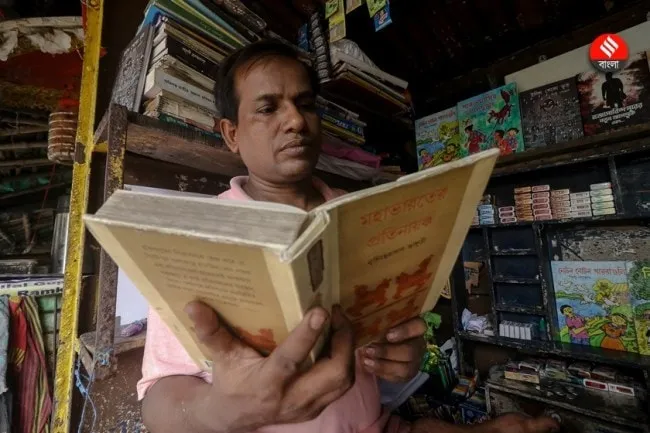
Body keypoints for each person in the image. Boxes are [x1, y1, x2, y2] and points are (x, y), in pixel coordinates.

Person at [139, 40, 559, 433]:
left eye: (305, 104)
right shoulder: (199, 235)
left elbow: (391, 342)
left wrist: (402, 359)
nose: (296, 121)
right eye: (268, 108)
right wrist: (222, 411)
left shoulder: (363, 214)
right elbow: (157, 400)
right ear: (231, 133)